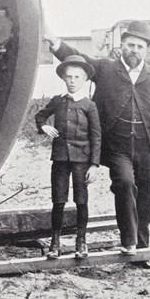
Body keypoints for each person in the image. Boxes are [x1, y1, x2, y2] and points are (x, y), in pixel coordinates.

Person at [44, 20, 150, 257]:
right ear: (122, 45)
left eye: (140, 47)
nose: (134, 50)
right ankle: (129, 242)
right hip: (116, 146)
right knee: (124, 184)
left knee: (147, 196)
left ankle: (142, 245)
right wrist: (55, 43)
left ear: (146, 50)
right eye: (130, 45)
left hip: (147, 146)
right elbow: (78, 58)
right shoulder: (105, 68)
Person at [35, 56, 101, 259]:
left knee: (81, 200)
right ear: (63, 78)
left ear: (84, 80)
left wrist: (95, 165)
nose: (72, 80)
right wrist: (44, 126)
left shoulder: (89, 106)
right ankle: (55, 243)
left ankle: (81, 242)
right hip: (61, 159)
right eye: (69, 76)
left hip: (82, 160)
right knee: (59, 200)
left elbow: (96, 136)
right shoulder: (58, 101)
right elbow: (40, 115)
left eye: (77, 77)